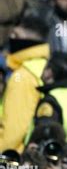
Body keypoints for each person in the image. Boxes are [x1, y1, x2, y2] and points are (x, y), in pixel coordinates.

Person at [0, 15, 50, 152]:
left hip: (15, 159)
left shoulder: (23, 76)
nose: (11, 39)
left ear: (27, 41)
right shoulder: (44, 66)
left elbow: (13, 131)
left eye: (16, 35)